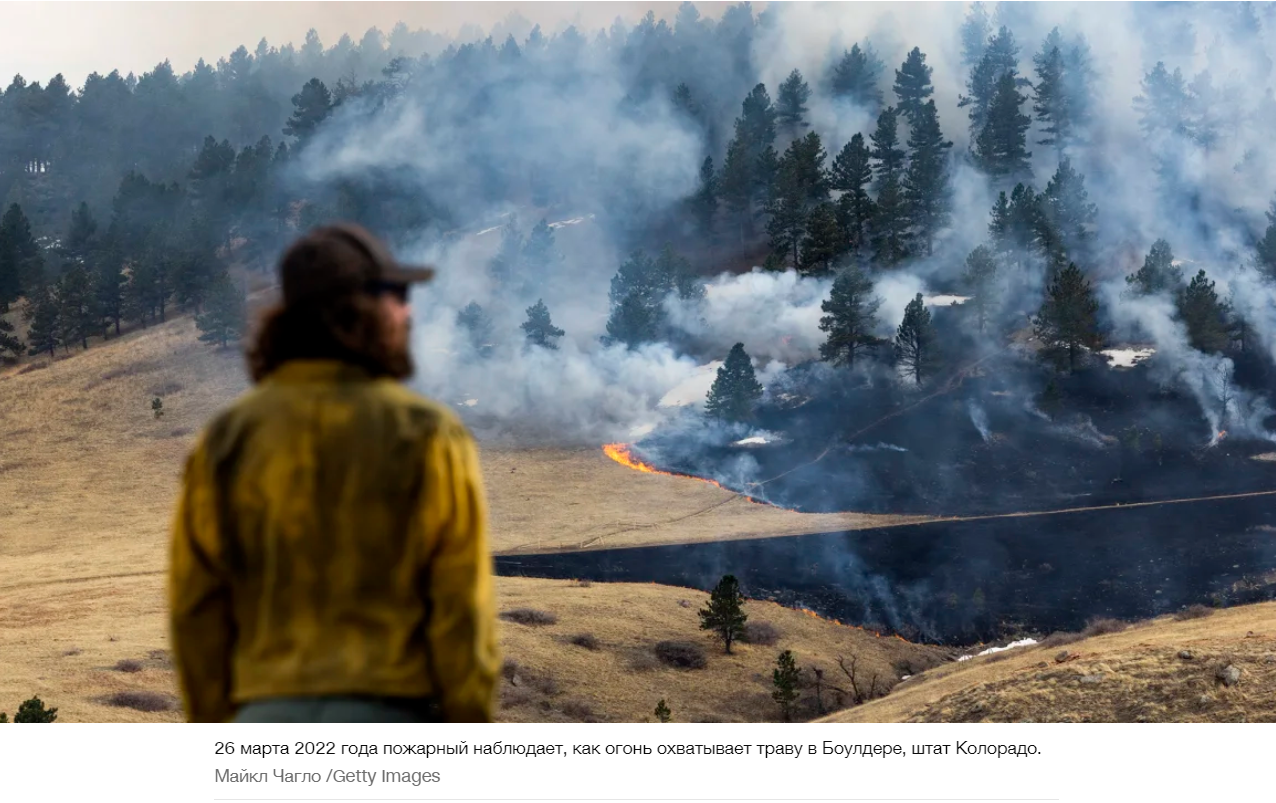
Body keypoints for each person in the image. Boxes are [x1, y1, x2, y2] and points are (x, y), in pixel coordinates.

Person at [168, 222, 500, 723]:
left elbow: (196, 606)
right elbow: (462, 604)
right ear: (362, 309)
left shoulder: (227, 437)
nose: (407, 311)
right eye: (396, 296)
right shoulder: (428, 434)